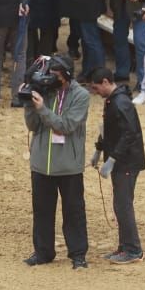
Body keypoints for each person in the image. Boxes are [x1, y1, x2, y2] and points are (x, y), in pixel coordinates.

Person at [22, 54, 91, 269]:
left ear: (66, 76)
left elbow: (66, 125)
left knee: (74, 212)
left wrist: (43, 108)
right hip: (42, 163)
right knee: (42, 210)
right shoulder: (45, 91)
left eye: (56, 75)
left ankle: (78, 255)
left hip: (69, 165)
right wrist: (29, 103)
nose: (50, 79)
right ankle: (43, 252)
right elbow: (33, 126)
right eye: (49, 74)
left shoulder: (81, 95)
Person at [84, 68, 145, 264]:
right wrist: (99, 150)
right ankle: (125, 247)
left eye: (96, 88)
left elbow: (129, 134)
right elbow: (109, 131)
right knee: (120, 204)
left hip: (126, 162)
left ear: (105, 82)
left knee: (123, 205)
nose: (96, 92)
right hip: (122, 160)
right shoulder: (114, 101)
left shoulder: (120, 103)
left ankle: (133, 250)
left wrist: (112, 159)